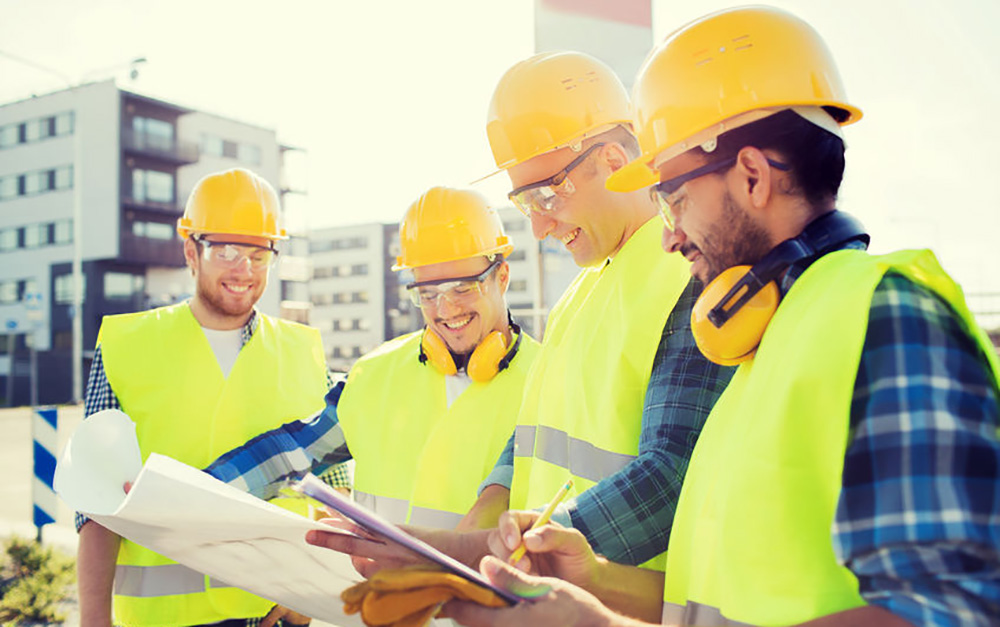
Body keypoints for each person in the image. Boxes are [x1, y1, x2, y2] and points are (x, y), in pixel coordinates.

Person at [440, 6, 1000, 626]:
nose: (669, 236)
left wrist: (596, 625)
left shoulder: (886, 315)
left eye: (673, 198)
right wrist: (594, 581)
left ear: (753, 176)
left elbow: (957, 609)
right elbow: (710, 602)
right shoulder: (765, 341)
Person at [456, 49, 734, 569]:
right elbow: (538, 430)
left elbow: (672, 477)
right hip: (544, 593)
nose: (537, 228)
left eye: (545, 195)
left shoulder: (687, 280)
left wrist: (524, 550)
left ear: (613, 162)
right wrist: (488, 505)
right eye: (524, 203)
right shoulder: (580, 293)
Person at [75, 167, 346, 627]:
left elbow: (335, 495)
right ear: (190, 251)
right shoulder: (127, 346)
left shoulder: (303, 351)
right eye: (226, 251)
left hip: (275, 618)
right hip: (161, 619)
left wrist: (308, 602)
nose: (244, 270)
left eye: (259, 255)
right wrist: (93, 619)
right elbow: (95, 507)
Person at [205, 186, 540, 530]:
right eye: (427, 293)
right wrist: (198, 494)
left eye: (463, 288)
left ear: (502, 276)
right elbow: (291, 454)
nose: (446, 309)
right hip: (376, 585)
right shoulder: (377, 373)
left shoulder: (548, 379)